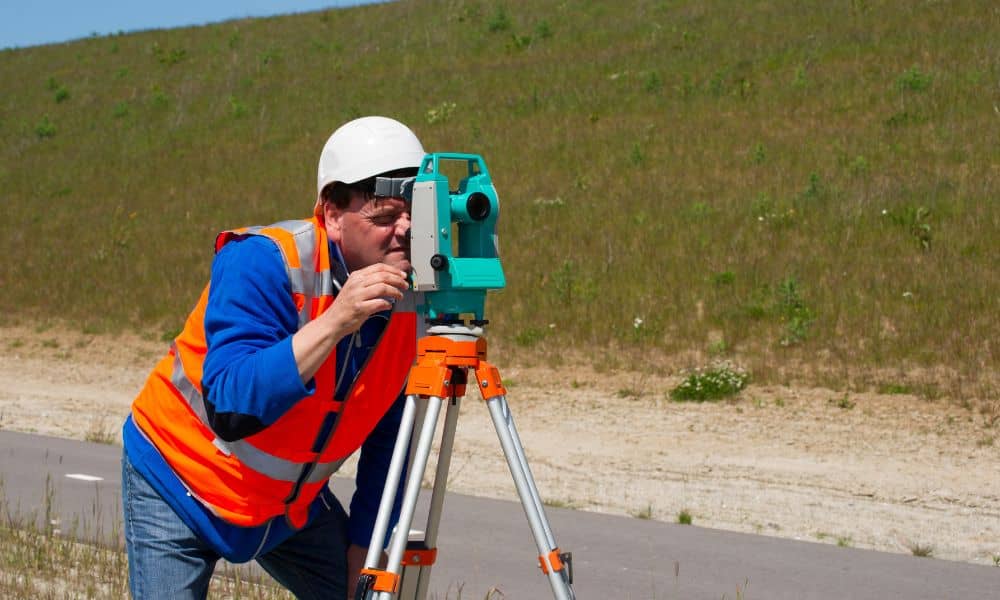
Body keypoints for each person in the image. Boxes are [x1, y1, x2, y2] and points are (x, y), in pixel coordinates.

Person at [122, 116, 426, 599]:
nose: (405, 231)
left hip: (286, 506)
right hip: (181, 480)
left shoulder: (416, 298)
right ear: (332, 213)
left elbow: (394, 436)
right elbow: (231, 404)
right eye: (384, 217)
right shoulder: (263, 261)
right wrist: (336, 321)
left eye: (415, 213)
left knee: (365, 591)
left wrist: (365, 547)